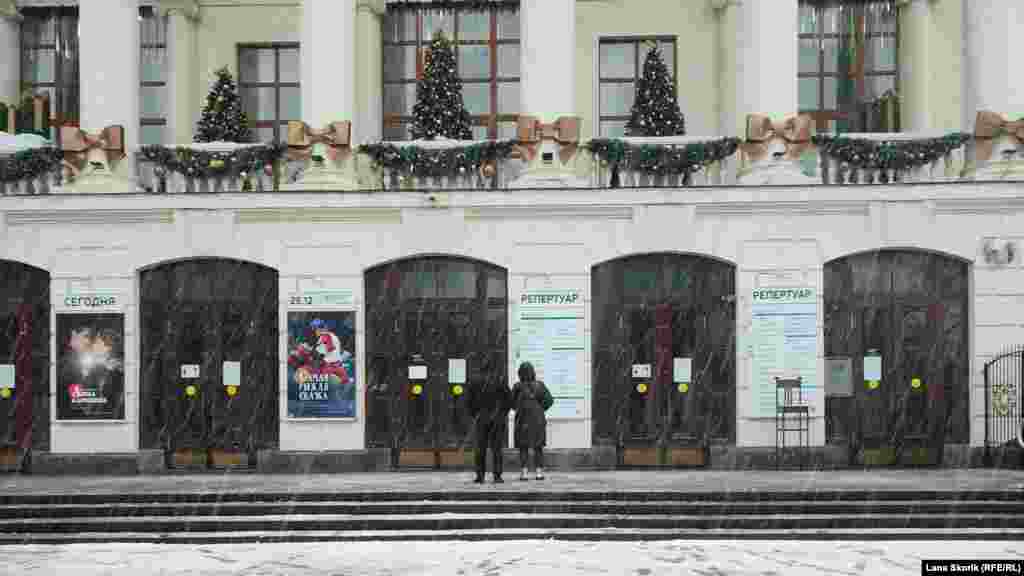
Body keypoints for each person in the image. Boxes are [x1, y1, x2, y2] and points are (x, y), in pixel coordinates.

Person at [467, 359, 510, 484]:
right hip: (497, 419)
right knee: (497, 448)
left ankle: (480, 476)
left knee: (480, 448)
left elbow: (469, 402)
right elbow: (508, 400)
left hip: (481, 418)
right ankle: (497, 475)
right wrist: (502, 414)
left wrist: (475, 414)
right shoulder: (500, 380)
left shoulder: (475, 381)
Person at [511, 361, 552, 481]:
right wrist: (540, 409)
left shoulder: (517, 386)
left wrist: (519, 408)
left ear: (520, 373)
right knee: (538, 447)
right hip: (538, 419)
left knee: (523, 446)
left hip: (522, 419)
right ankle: (539, 473)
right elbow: (549, 401)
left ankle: (524, 473)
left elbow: (511, 402)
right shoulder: (540, 385)